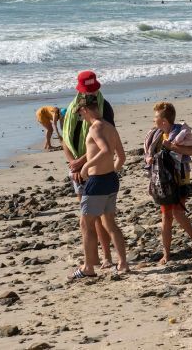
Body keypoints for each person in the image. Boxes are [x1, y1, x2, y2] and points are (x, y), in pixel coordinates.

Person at [61, 71, 117, 269]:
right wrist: (73, 163)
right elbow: (65, 140)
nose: (91, 94)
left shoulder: (105, 109)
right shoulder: (71, 111)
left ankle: (107, 256)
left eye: (93, 91)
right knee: (87, 218)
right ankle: (92, 258)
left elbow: (107, 140)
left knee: (100, 216)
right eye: (88, 91)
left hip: (95, 169)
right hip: (78, 168)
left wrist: (83, 163)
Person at [70, 93, 128, 279]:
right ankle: (123, 263)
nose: (82, 117)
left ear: (85, 109)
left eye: (81, 114)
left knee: (85, 223)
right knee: (110, 222)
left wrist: (86, 166)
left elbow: (105, 150)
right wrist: (112, 170)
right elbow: (121, 156)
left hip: (97, 182)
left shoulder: (96, 127)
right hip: (111, 180)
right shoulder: (110, 126)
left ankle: (88, 267)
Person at [143, 102, 192, 265]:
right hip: (162, 179)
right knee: (166, 215)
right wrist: (148, 159)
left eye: (156, 118)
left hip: (180, 177)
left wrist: (173, 147)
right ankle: (166, 253)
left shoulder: (180, 132)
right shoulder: (155, 135)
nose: (154, 121)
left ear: (164, 122)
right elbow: (148, 154)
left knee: (177, 212)